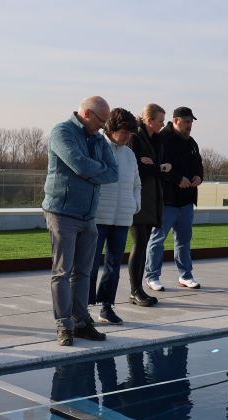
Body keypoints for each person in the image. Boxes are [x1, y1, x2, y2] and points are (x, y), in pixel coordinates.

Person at [42, 96, 118, 346]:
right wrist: (93, 171)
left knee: (84, 272)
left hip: (88, 215)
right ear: (86, 113)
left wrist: (89, 171)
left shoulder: (98, 139)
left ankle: (81, 322)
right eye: (101, 121)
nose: (104, 127)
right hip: (62, 213)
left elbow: (113, 173)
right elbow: (78, 165)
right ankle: (64, 325)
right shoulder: (61, 132)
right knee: (63, 272)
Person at [89, 108, 141, 325]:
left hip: (122, 219)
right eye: (125, 132)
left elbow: (136, 184)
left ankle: (107, 306)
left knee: (113, 264)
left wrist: (134, 205)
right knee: (90, 264)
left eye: (131, 133)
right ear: (111, 128)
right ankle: (83, 307)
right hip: (98, 217)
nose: (128, 137)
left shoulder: (130, 155)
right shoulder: (97, 147)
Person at [144, 106, 203, 291]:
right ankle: (152, 276)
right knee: (157, 239)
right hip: (166, 200)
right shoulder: (162, 139)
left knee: (184, 240)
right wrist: (178, 179)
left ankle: (185, 275)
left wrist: (199, 177)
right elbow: (159, 167)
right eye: (186, 122)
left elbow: (199, 165)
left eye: (191, 122)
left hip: (186, 201)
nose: (189, 125)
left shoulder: (191, 142)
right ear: (176, 120)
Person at [128, 103, 169, 307]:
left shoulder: (157, 140)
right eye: (160, 120)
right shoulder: (135, 138)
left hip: (152, 199)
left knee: (143, 245)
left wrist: (154, 167)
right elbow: (134, 168)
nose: (163, 124)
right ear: (149, 120)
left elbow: (156, 167)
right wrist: (158, 168)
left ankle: (138, 289)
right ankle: (135, 290)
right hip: (138, 200)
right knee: (139, 244)